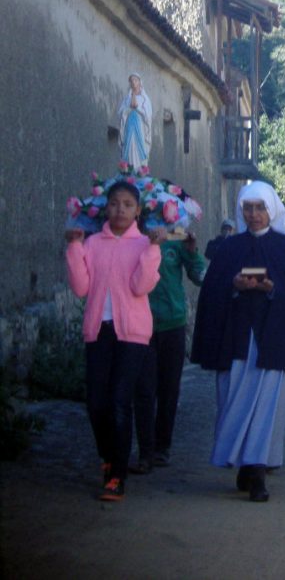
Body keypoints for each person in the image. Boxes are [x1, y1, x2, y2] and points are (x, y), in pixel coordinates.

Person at [190, 182, 285, 502]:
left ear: (271, 209)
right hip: (235, 339)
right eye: (248, 208)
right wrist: (234, 286)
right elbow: (212, 293)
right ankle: (241, 463)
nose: (254, 214)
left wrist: (272, 289)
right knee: (232, 400)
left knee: (267, 407)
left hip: (273, 341)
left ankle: (259, 470)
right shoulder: (229, 249)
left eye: (260, 208)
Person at [65, 181, 164, 501]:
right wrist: (75, 248)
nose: (120, 209)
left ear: (138, 211)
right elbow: (81, 288)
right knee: (96, 403)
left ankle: (117, 475)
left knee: (121, 401)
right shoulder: (93, 243)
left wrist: (152, 250)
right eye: (114, 203)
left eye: (127, 204)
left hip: (132, 334)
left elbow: (140, 287)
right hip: (99, 330)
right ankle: (108, 456)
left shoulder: (144, 245)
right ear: (105, 208)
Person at [131, 231, 205, 473]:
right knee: (143, 390)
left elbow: (200, 277)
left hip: (173, 323)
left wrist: (192, 250)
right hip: (141, 324)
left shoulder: (176, 239)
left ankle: (162, 447)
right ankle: (145, 451)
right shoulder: (133, 238)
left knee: (169, 389)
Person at [117, 72, 152, 169]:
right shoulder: (127, 99)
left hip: (140, 128)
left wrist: (138, 109)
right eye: (131, 81)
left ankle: (140, 170)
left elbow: (148, 116)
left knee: (139, 149)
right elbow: (120, 113)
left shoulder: (144, 99)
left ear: (140, 83)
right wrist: (128, 109)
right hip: (128, 127)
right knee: (128, 148)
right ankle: (128, 169)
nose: (133, 83)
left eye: (135, 80)